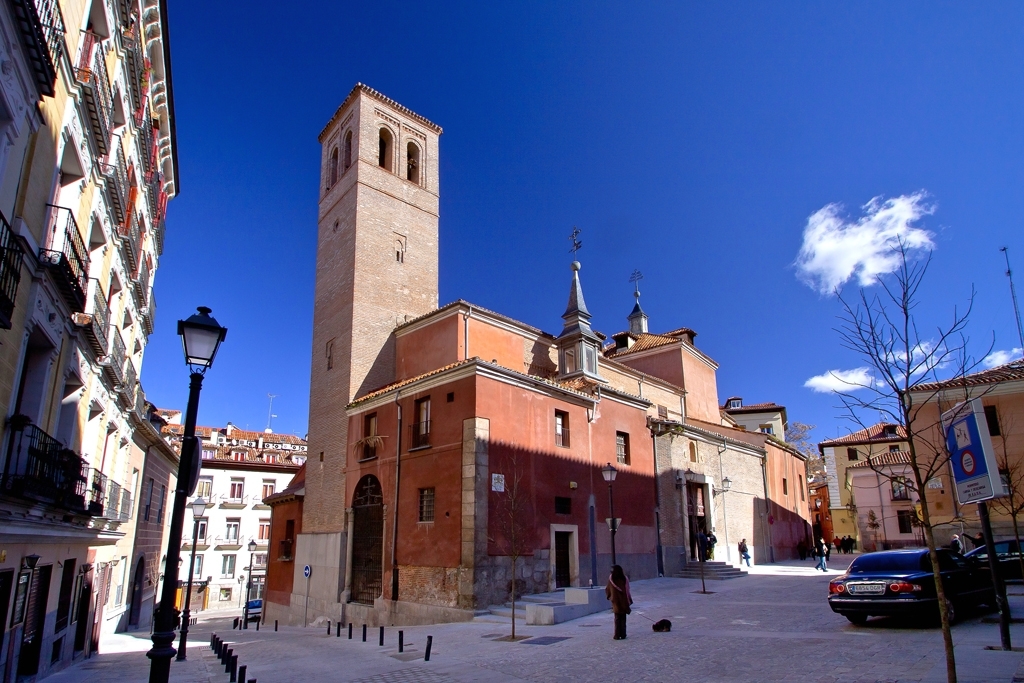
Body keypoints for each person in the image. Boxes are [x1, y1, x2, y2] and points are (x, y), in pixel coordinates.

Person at [605, 564, 633, 640]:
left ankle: (617, 635)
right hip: (623, 601)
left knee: (617, 619)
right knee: (623, 618)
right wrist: (629, 600)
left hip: (616, 601)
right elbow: (627, 590)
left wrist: (609, 596)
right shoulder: (624, 579)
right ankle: (623, 634)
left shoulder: (611, 580)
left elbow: (607, 589)